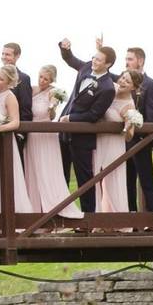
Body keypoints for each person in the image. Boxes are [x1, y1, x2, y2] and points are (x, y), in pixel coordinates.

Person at [57, 38, 116, 213]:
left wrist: (71, 119)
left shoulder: (107, 88)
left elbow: (93, 115)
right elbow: (70, 59)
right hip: (63, 131)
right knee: (61, 175)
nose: (94, 61)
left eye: (98, 60)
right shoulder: (85, 68)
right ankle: (61, 214)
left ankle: (88, 219)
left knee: (84, 179)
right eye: (94, 57)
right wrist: (65, 48)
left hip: (82, 137)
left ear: (108, 64)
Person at [24, 65, 83, 220]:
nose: (42, 81)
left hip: (46, 136)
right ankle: (34, 210)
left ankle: (54, 210)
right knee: (33, 170)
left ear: (52, 80)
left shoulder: (53, 92)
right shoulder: (31, 89)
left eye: (46, 79)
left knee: (47, 170)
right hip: (31, 136)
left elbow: (51, 116)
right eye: (41, 77)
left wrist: (52, 107)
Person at [0, 65, 33, 214]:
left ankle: (12, 215)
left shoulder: (10, 97)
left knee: (2, 178)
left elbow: (15, 122)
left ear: (9, 82)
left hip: (2, 144)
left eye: (1, 78)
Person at [94, 71, 141, 217]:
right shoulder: (110, 89)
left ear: (133, 87)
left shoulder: (129, 106)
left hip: (114, 144)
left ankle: (117, 219)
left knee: (113, 181)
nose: (122, 82)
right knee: (95, 178)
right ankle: (96, 216)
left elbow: (129, 136)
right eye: (122, 78)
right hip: (98, 141)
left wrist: (128, 127)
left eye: (127, 81)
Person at [123, 47, 153, 213]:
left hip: (141, 141)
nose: (126, 62)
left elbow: (152, 116)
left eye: (130, 59)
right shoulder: (121, 83)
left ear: (141, 61)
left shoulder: (151, 85)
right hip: (122, 141)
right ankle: (131, 219)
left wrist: (141, 136)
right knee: (126, 181)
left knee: (146, 181)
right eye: (126, 59)